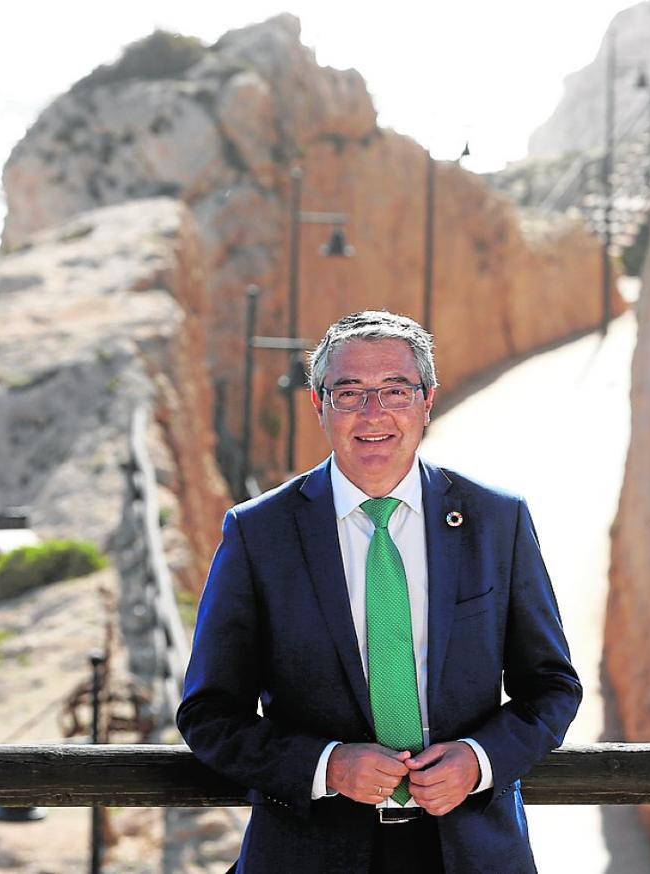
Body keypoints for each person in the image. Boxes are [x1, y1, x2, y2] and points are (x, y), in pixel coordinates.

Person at [177, 310, 581, 873]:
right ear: (319, 404)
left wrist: (479, 760)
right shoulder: (258, 533)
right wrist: (326, 765)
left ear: (426, 400)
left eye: (395, 390)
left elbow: (552, 688)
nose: (374, 413)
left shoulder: (497, 521)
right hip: (310, 852)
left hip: (471, 851)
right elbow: (209, 714)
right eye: (350, 393)